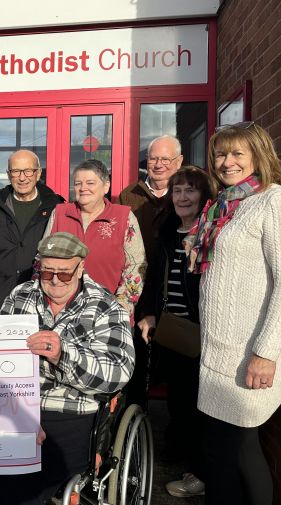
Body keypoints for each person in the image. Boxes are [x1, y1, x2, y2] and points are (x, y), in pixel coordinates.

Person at [185, 122, 281, 505]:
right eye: (220, 154)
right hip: (219, 351)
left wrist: (266, 352)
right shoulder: (227, 205)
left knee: (229, 451)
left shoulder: (277, 201)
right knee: (227, 451)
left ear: (258, 155)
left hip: (252, 351)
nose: (227, 162)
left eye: (238, 153)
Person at [0, 232, 135, 505]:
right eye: (47, 272)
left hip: (67, 413)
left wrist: (63, 355)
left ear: (80, 269)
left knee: (17, 486)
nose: (54, 280)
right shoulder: (21, 294)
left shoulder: (105, 306)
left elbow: (118, 372)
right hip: (14, 407)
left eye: (64, 274)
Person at [137, 166, 216, 498]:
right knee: (180, 406)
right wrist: (149, 314)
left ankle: (203, 474)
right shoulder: (166, 234)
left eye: (191, 191)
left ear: (204, 195)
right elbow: (154, 281)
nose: (183, 197)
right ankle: (195, 470)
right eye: (178, 191)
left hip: (207, 334)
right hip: (174, 335)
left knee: (203, 411)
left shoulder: (212, 232)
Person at [116, 135, 184, 408]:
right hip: (139, 289)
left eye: (165, 159)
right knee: (136, 360)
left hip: (175, 289)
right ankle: (135, 416)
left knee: (177, 365)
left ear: (178, 162)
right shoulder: (129, 194)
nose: (158, 165)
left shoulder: (186, 192)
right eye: (153, 158)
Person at [0, 150, 64, 316]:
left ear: (38, 173)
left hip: (42, 300)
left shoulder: (55, 207)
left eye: (28, 171)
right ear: (8, 174)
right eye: (16, 171)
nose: (22, 178)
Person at [44, 159, 145, 313]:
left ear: (106, 186)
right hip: (63, 312)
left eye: (90, 183)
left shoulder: (123, 216)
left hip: (110, 311)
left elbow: (137, 263)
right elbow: (42, 259)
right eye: (78, 183)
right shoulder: (59, 214)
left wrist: (123, 301)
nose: (83, 188)